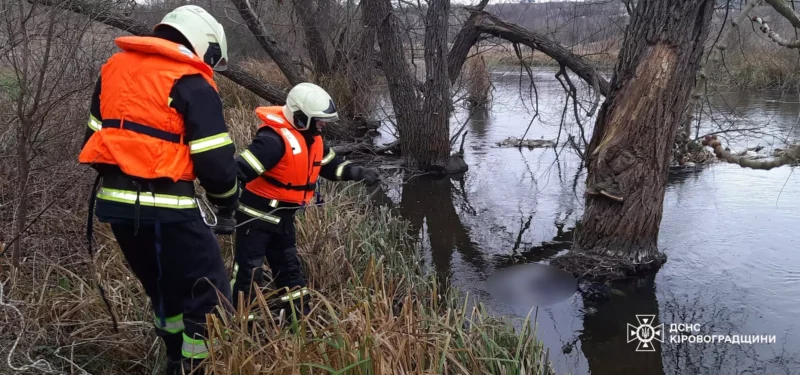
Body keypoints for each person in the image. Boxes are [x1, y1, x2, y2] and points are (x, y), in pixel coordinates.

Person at [78, 5, 237, 374]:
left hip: (116, 206)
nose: (210, 63)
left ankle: (171, 359)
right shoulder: (192, 81)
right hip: (169, 208)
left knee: (164, 290)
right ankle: (195, 368)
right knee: (209, 296)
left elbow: (95, 138)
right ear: (203, 43)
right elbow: (215, 162)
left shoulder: (112, 70)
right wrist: (226, 204)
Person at [232, 82, 380, 320]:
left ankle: (297, 316)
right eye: (319, 120)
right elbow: (237, 172)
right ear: (300, 117)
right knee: (249, 272)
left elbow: (332, 166)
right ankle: (242, 323)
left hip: (283, 217)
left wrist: (359, 173)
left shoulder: (312, 139)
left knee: (290, 268)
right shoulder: (272, 141)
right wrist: (224, 207)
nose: (323, 125)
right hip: (255, 218)